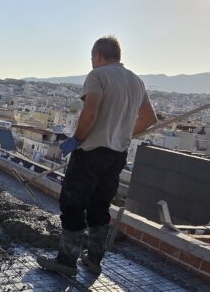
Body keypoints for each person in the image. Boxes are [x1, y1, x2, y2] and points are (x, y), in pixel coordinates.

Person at [37, 36, 157, 275]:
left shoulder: (98, 76)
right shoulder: (137, 81)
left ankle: (67, 261)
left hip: (91, 152)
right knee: (100, 207)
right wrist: (122, 134)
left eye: (92, 58)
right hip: (117, 155)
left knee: (73, 205)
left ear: (98, 56)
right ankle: (94, 260)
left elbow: (89, 114)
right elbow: (150, 119)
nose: (92, 63)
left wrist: (77, 139)